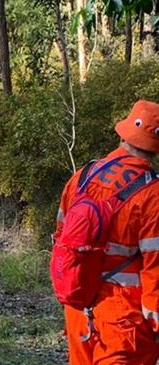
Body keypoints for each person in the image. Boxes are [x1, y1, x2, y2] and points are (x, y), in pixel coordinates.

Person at [55, 100, 159, 365]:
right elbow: (155, 268)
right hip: (124, 317)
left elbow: (60, 236)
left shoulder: (82, 175)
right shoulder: (153, 195)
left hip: (78, 303)